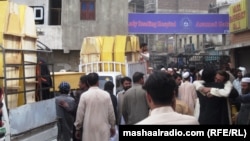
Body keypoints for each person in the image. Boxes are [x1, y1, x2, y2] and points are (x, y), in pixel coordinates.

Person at [74, 72, 116, 141]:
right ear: (98, 82)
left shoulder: (84, 96)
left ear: (87, 82)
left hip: (88, 129)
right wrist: (112, 126)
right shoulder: (106, 95)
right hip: (103, 129)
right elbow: (111, 113)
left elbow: (80, 114)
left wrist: (78, 128)